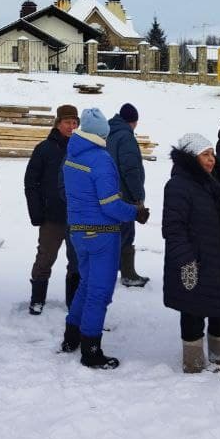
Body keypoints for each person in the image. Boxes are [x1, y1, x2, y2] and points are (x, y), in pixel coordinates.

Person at [164, 132, 220, 373]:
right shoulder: (178, 185)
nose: (212, 159)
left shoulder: (217, 184)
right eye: (205, 154)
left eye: (212, 153)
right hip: (195, 260)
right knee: (193, 310)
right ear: (191, 157)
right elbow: (173, 228)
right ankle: (193, 361)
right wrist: (186, 261)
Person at [61, 108, 141, 369]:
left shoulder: (72, 154)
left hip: (78, 233)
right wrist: (136, 213)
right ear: (101, 133)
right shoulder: (101, 159)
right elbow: (110, 205)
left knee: (85, 284)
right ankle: (91, 350)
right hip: (102, 235)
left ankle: (71, 337)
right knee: (99, 292)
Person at [24, 105, 81, 315]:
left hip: (76, 217)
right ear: (58, 124)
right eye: (67, 122)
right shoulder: (44, 149)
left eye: (75, 123)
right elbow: (31, 183)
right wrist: (36, 212)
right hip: (52, 217)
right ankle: (37, 299)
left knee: (76, 261)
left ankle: (73, 302)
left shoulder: (81, 150)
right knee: (45, 258)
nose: (71, 126)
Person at [105, 103, 148, 288]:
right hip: (125, 195)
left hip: (109, 193)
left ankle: (110, 271)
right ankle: (128, 274)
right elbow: (130, 169)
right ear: (133, 122)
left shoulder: (109, 133)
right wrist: (138, 197)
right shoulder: (126, 137)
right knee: (127, 233)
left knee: (114, 233)